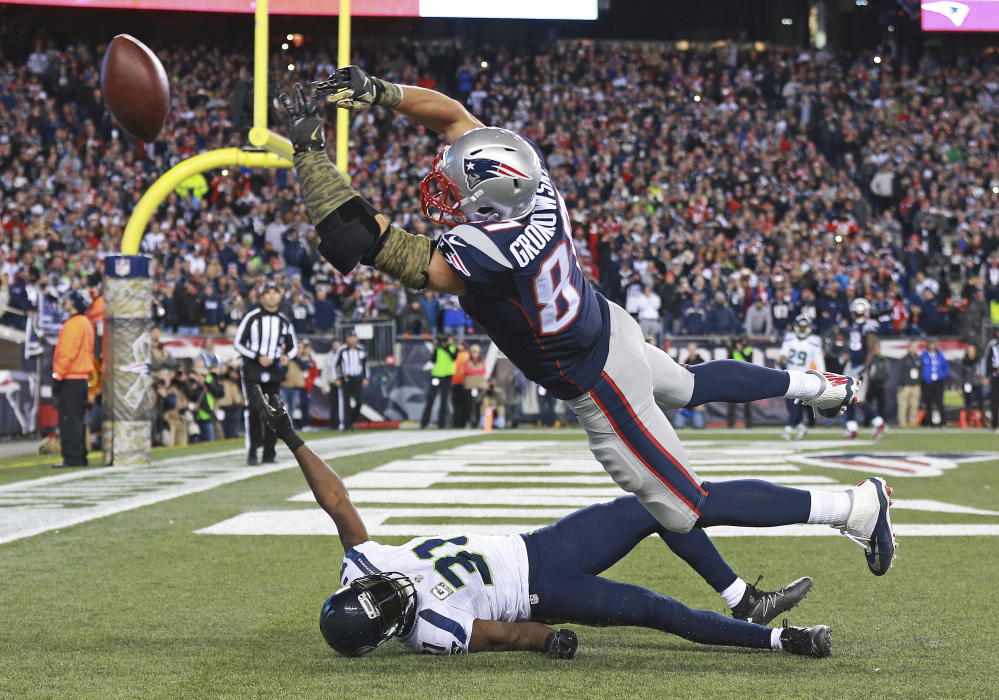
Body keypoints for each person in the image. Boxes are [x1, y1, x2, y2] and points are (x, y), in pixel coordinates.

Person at [281, 73, 894, 577]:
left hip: (596, 381)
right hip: (606, 324)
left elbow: (364, 239)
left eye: (459, 186)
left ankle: (853, 507)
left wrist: (310, 154)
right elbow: (451, 116)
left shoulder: (487, 253)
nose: (445, 188)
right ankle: (817, 387)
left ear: (493, 202)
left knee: (686, 506)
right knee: (689, 385)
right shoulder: (530, 176)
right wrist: (377, 91)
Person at [250, 386, 830, 659]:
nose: (394, 588)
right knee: (660, 612)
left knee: (655, 502)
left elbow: (337, 502)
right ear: (387, 634)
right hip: (539, 589)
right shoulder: (431, 633)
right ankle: (782, 639)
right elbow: (510, 633)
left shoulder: (366, 566)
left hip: (536, 544)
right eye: (391, 604)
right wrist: (550, 639)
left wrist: (292, 436)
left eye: (377, 589)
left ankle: (741, 597)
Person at [233, 282, 298, 464]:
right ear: (261, 297)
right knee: (254, 408)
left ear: (280, 296)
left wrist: (286, 356)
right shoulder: (252, 318)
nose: (271, 296)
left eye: (274, 293)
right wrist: (257, 356)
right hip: (253, 368)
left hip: (274, 370)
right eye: (267, 293)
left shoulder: (284, 320)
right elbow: (238, 343)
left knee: (274, 411)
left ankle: (270, 452)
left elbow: (293, 347)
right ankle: (253, 450)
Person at [52, 291, 95, 468]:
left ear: (75, 303)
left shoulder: (73, 324)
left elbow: (66, 353)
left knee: (69, 420)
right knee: (78, 419)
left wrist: (58, 376)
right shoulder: (86, 323)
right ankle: (80, 454)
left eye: (70, 300)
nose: (67, 302)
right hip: (82, 378)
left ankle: (72, 457)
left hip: (71, 378)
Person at [841, 298, 886, 440]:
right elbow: (855, 345)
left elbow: (871, 349)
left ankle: (878, 423)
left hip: (861, 365)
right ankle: (852, 429)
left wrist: (865, 367)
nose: (859, 316)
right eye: (857, 313)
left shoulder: (869, 325)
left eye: (861, 314)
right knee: (846, 397)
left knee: (858, 399)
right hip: (852, 364)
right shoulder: (854, 325)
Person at [779, 315, 825, 441]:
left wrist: (822, 378)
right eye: (800, 327)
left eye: (804, 327)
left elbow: (820, 363)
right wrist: (782, 360)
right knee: (791, 406)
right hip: (788, 376)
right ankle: (801, 427)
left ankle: (788, 430)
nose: (802, 329)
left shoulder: (814, 342)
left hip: (802, 379)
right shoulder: (789, 338)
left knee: (794, 408)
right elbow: (783, 355)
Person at [333, 331, 369, 431]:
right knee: (346, 402)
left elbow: (365, 365)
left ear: (357, 339)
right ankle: (346, 425)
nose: (353, 340)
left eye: (354, 337)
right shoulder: (342, 350)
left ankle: (351, 420)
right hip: (346, 378)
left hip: (357, 378)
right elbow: (336, 365)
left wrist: (366, 377)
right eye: (351, 337)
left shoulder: (361, 349)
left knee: (359, 402)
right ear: (347, 339)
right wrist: (337, 378)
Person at [421, 335, 457, 429]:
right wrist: (436, 348)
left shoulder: (453, 348)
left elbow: (454, 357)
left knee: (444, 401)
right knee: (431, 398)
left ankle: (442, 424)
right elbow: (433, 360)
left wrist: (446, 347)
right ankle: (424, 423)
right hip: (437, 376)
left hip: (447, 377)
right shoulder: (438, 348)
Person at [726, 336, 754, 429]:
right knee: (731, 403)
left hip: (745, 379)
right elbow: (728, 361)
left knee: (747, 404)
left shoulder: (749, 350)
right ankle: (730, 424)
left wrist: (740, 350)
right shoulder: (733, 351)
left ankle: (748, 423)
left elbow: (749, 360)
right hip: (734, 379)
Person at [920, 338, 949, 428]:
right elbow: (920, 368)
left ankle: (943, 422)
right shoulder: (923, 355)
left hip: (938, 382)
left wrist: (942, 376)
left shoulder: (940, 355)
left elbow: (946, 367)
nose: (932, 346)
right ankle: (930, 422)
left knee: (939, 402)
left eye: (933, 344)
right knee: (928, 402)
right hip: (927, 382)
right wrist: (924, 377)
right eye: (930, 344)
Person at [895, 340, 923, 430]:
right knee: (903, 405)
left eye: (915, 346)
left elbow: (921, 372)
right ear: (909, 347)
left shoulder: (919, 359)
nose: (914, 348)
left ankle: (912, 422)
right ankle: (902, 422)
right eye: (912, 346)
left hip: (915, 385)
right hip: (905, 386)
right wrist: (900, 383)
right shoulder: (904, 359)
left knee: (914, 405)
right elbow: (899, 372)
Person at [958, 344, 985, 427]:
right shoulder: (964, 362)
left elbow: (983, 372)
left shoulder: (979, 361)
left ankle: (983, 421)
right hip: (968, 384)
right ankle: (968, 422)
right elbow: (961, 375)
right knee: (968, 403)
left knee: (980, 403)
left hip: (977, 384)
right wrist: (961, 386)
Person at [983, 327, 999, 433]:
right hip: (996, 374)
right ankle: (995, 422)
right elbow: (986, 360)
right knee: (995, 399)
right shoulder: (992, 344)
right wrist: (985, 376)